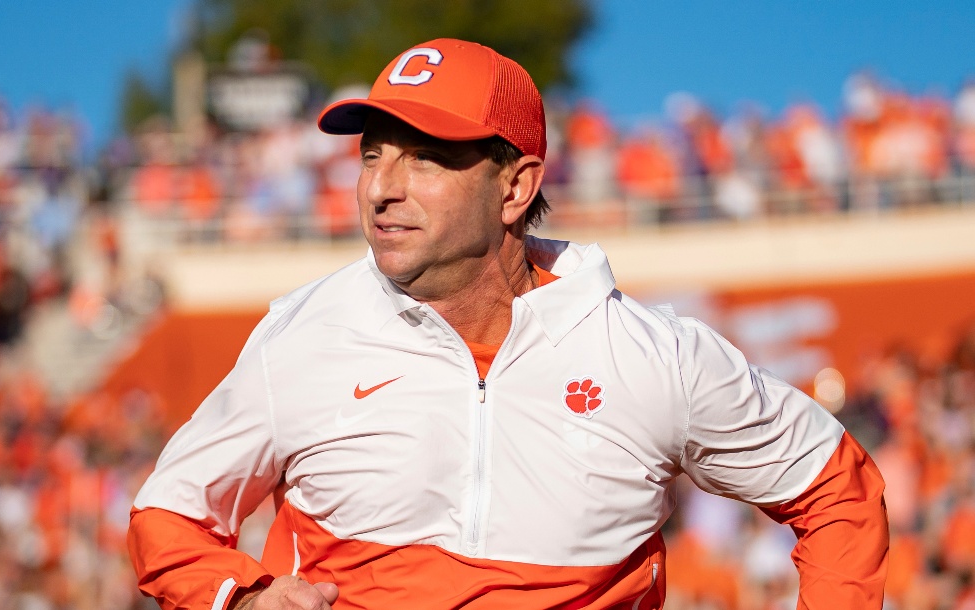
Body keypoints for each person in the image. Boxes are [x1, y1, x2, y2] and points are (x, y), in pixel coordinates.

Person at [128, 38, 889, 610]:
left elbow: (839, 492)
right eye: (371, 157)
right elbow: (166, 517)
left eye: (424, 159)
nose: (381, 190)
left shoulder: (653, 356)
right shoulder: (299, 336)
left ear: (516, 186)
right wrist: (247, 595)